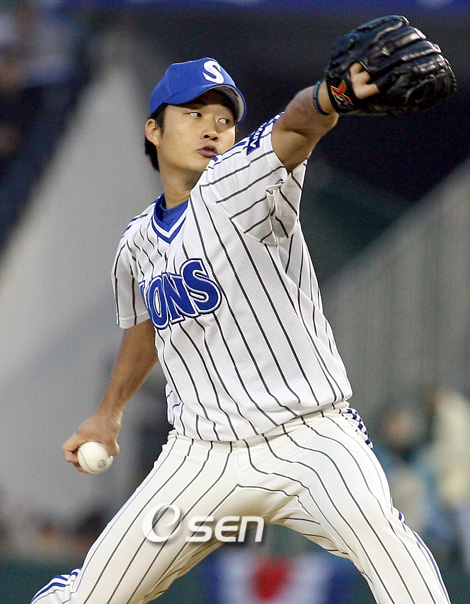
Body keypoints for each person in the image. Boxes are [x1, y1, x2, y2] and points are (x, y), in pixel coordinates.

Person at [32, 29, 453, 604]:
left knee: (392, 553)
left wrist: (332, 95)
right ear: (153, 130)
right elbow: (147, 326)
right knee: (91, 595)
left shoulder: (240, 180)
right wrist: (108, 414)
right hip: (201, 457)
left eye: (224, 119)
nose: (213, 128)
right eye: (193, 114)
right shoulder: (136, 243)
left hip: (310, 439)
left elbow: (296, 125)